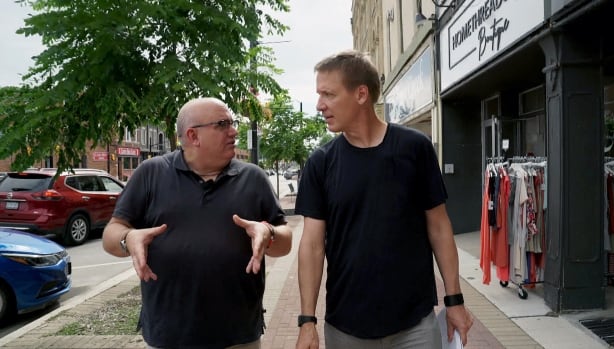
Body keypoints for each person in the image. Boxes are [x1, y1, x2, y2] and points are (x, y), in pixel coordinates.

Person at [294, 50, 474, 349]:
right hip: (346, 329)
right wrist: (307, 321)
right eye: (319, 94)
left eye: (328, 94)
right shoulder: (321, 163)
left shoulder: (415, 149)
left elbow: (440, 228)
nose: (319, 105)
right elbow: (312, 245)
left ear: (361, 94)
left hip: (414, 325)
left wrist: (454, 301)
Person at [102, 97, 292, 349]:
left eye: (232, 123)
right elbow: (111, 234)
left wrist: (268, 232)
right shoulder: (151, 173)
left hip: (239, 336)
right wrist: (128, 238)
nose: (234, 131)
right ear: (193, 136)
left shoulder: (252, 178)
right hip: (169, 336)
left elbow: (285, 241)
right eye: (223, 124)